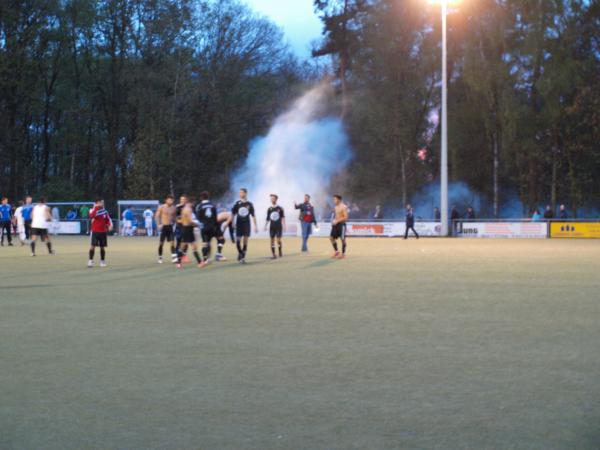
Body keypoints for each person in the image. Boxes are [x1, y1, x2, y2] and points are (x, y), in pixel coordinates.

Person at [230, 188, 258, 263]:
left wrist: (255, 226)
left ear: (245, 193)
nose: (240, 194)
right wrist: (232, 223)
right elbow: (233, 213)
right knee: (238, 241)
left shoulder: (250, 204)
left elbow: (253, 215)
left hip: (246, 224)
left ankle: (242, 258)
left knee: (245, 242)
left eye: (242, 192)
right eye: (240, 193)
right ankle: (240, 253)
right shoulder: (237, 203)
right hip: (239, 224)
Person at [175, 199, 202, 269]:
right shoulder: (189, 209)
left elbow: (180, 220)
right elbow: (190, 221)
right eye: (192, 204)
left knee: (183, 247)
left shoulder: (183, 209)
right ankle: (200, 262)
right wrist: (197, 224)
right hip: (188, 229)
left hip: (185, 229)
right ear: (190, 203)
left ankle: (178, 263)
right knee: (193, 246)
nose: (193, 206)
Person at [195, 191, 220, 267]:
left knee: (204, 243)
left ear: (201, 197)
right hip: (212, 227)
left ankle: (205, 259)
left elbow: (198, 218)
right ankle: (208, 258)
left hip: (204, 227)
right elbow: (216, 218)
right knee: (209, 243)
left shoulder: (200, 206)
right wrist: (216, 227)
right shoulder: (213, 205)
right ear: (208, 197)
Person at [88, 198, 113, 268]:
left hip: (103, 232)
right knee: (92, 246)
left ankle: (102, 261)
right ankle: (90, 261)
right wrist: (95, 208)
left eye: (102, 202)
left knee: (102, 247)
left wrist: (109, 225)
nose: (102, 203)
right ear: (97, 203)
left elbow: (107, 220)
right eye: (100, 202)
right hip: (95, 231)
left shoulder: (104, 211)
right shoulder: (93, 210)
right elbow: (91, 216)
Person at [155, 195, 177, 264]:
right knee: (161, 243)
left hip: (170, 227)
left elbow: (174, 217)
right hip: (163, 227)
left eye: (172, 200)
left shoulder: (174, 208)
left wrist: (177, 221)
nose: (171, 201)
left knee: (172, 243)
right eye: (170, 200)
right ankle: (160, 257)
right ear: (166, 200)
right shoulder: (161, 207)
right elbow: (156, 216)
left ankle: (174, 258)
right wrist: (158, 224)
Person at [265, 194, 285, 259]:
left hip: (278, 226)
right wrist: (265, 225)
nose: (272, 199)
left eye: (273, 198)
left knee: (278, 240)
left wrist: (284, 225)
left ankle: (280, 251)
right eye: (271, 198)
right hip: (272, 227)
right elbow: (268, 218)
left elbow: (282, 217)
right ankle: (273, 254)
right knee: (272, 240)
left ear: (276, 199)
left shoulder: (280, 208)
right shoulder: (269, 209)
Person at [330, 194, 348, 259]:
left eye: (335, 199)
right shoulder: (335, 207)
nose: (334, 200)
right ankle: (336, 252)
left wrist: (337, 221)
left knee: (342, 239)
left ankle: (343, 254)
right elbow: (336, 216)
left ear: (339, 200)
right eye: (333, 199)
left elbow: (346, 217)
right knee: (331, 238)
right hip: (335, 225)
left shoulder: (344, 206)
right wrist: (334, 221)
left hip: (341, 225)